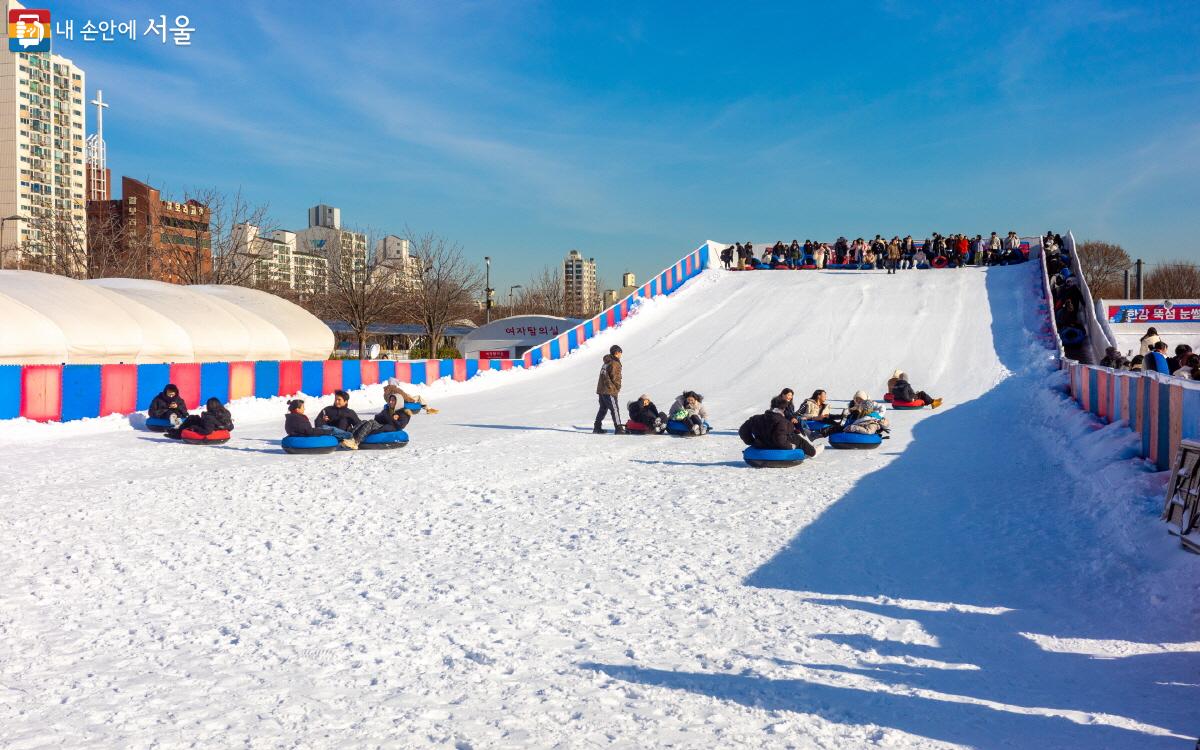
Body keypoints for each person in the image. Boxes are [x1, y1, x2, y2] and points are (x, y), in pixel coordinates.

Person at [738, 396, 817, 456]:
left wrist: (752, 442)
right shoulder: (782, 421)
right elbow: (780, 439)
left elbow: (742, 430)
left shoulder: (755, 418)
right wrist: (790, 446)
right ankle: (812, 452)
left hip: (761, 444)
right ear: (783, 409)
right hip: (777, 448)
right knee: (798, 439)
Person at [167, 396, 233, 438]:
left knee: (191, 419)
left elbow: (207, 431)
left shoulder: (209, 417)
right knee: (194, 417)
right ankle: (177, 431)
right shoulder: (225, 413)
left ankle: (177, 434)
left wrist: (193, 428)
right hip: (214, 426)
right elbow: (231, 427)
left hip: (209, 427)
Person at [594, 345, 625, 434]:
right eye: (620, 353)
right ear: (617, 353)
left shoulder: (606, 362)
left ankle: (597, 427)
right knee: (614, 409)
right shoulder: (614, 363)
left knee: (603, 408)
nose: (621, 355)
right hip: (609, 390)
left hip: (602, 390)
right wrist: (617, 387)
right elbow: (615, 377)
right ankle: (619, 428)